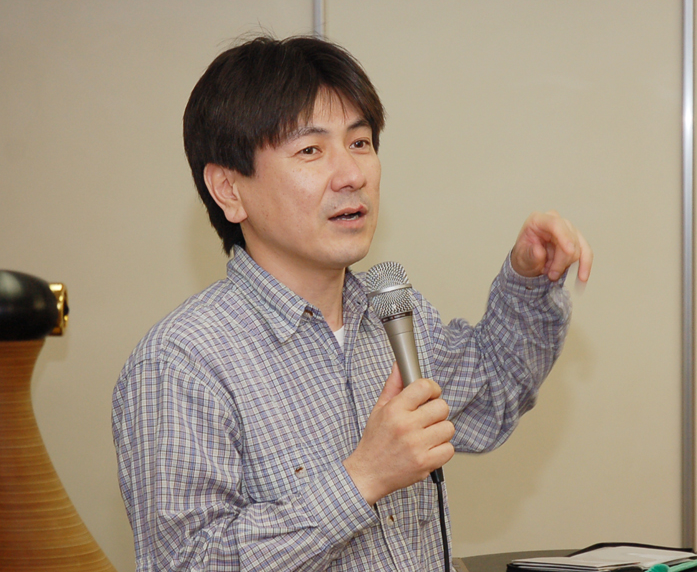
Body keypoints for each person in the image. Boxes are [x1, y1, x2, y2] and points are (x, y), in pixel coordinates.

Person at [112, 35, 592, 572]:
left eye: (360, 142)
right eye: (310, 150)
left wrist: (529, 278)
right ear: (229, 189)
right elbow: (187, 562)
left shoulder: (395, 315)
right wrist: (363, 478)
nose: (352, 175)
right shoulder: (182, 362)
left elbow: (494, 394)